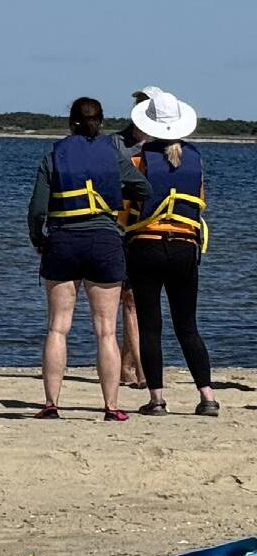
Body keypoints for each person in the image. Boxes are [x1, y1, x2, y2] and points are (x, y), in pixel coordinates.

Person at [28, 97, 152, 422]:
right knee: (106, 331)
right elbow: (144, 189)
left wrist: (38, 238)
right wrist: (114, 192)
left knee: (58, 327)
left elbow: (38, 209)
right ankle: (111, 407)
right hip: (104, 243)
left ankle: (51, 404)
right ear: (101, 122)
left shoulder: (53, 155)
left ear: (71, 123)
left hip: (63, 241)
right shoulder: (113, 155)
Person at [125, 90, 219, 417]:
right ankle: (207, 396)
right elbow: (200, 200)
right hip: (184, 248)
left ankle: (157, 400)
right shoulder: (196, 161)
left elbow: (126, 209)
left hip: (146, 246)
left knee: (151, 326)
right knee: (188, 326)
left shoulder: (138, 161)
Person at [113, 86, 162, 388]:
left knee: (143, 300)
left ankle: (128, 364)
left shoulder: (165, 145)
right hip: (123, 228)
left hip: (154, 230)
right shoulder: (117, 144)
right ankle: (138, 368)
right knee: (129, 298)